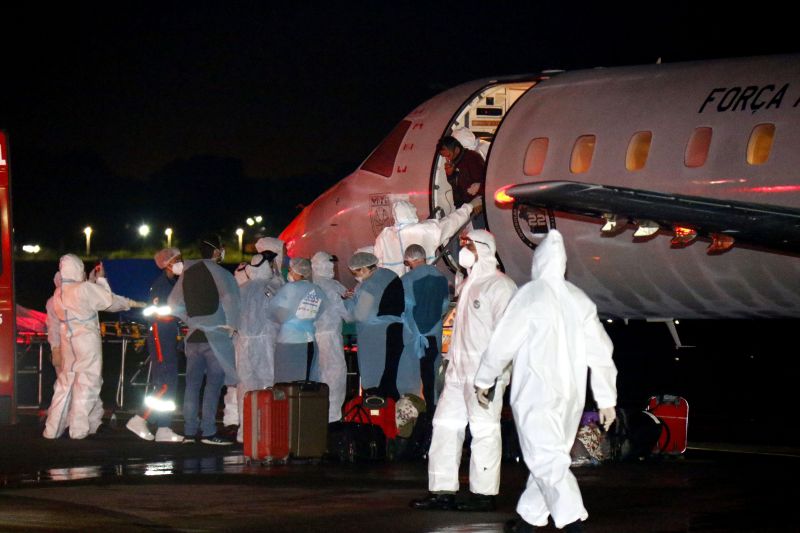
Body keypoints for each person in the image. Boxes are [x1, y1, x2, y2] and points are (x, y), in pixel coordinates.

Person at [474, 230, 618, 533]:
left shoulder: (530, 294)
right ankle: (526, 523)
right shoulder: (580, 300)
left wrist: (484, 378)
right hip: (571, 399)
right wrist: (606, 398)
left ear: (538, 262)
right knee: (549, 459)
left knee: (548, 463)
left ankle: (573, 524)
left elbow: (503, 342)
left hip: (535, 393)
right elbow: (602, 352)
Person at [411, 229, 517, 512]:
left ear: (483, 247)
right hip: (457, 372)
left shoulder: (500, 286)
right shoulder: (468, 283)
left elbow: (507, 336)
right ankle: (442, 490)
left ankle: (483, 494)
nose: (463, 249)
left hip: (485, 374)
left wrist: (493, 375)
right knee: (444, 426)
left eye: (468, 244)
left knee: (484, 430)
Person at [43, 255, 144, 440]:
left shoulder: (58, 293)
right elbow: (107, 300)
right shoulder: (84, 289)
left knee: (65, 385)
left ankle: (52, 430)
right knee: (87, 384)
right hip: (87, 341)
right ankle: (78, 430)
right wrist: (102, 279)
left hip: (68, 343)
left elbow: (85, 297)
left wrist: (90, 282)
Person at [168, 235, 240, 445]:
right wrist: (230, 326)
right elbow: (231, 301)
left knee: (192, 385)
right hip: (215, 338)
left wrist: (191, 319)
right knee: (213, 385)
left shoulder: (188, 273)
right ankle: (208, 431)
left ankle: (189, 432)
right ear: (217, 251)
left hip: (192, 338)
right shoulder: (222, 274)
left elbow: (173, 303)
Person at [126, 248, 186, 443]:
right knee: (165, 382)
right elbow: (156, 312)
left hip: (167, 335)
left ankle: (163, 427)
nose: (181, 263)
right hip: (161, 335)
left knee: (170, 382)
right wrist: (181, 314)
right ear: (167, 263)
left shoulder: (171, 284)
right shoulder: (161, 285)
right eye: (177, 259)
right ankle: (141, 417)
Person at [345, 251, 405, 402]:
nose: (355, 276)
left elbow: (359, 315)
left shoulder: (370, 285)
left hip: (377, 337)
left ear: (365, 268)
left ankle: (377, 416)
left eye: (356, 272)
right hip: (394, 332)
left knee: (376, 385)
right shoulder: (388, 275)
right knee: (391, 378)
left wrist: (346, 303)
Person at [234, 250, 281, 442]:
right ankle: (267, 430)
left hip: (243, 344)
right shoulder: (272, 288)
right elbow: (280, 315)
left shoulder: (241, 289)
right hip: (266, 343)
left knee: (245, 388)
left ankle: (245, 432)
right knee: (268, 385)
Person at [400, 244, 449, 414]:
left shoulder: (407, 280)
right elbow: (444, 305)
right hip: (435, 334)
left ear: (409, 260)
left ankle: (417, 415)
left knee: (415, 377)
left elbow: (405, 309)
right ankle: (434, 410)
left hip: (415, 337)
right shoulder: (441, 277)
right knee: (433, 376)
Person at [374, 198, 480, 276]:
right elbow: (451, 223)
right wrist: (469, 207)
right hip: (423, 281)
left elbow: (377, 261)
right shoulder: (426, 229)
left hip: (394, 288)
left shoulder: (384, 236)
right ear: (411, 212)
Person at [268, 258, 327, 383]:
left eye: (290, 270)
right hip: (310, 341)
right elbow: (320, 311)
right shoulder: (317, 290)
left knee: (287, 382)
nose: (289, 272)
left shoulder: (290, 288)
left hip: (289, 341)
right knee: (305, 382)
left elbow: (279, 314)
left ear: (296, 271)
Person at [311, 251, 351, 422]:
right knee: (334, 374)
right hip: (330, 337)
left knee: (317, 375)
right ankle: (332, 417)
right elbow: (348, 314)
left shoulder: (310, 284)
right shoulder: (332, 286)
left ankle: (317, 414)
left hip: (313, 336)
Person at [437, 135, 486, 208]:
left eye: (448, 155)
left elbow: (486, 182)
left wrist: (479, 188)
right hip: (462, 206)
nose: (447, 159)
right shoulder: (454, 162)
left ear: (456, 149)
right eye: (445, 157)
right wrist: (450, 174)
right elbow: (455, 185)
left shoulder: (472, 157)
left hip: (477, 206)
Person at [45, 272, 62, 377]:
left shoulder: (79, 297)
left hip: (80, 349)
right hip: (63, 348)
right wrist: (55, 349)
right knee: (64, 384)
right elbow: (53, 326)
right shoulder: (54, 302)